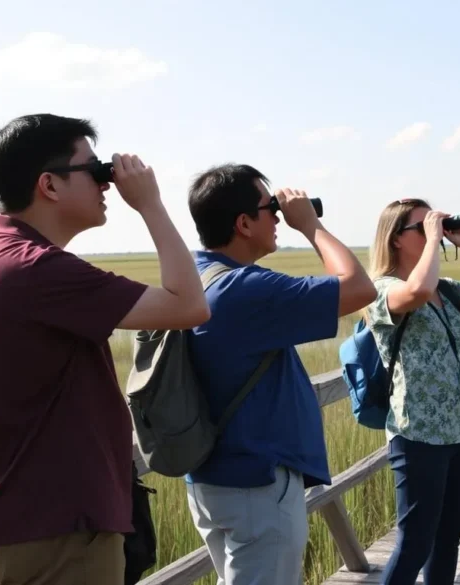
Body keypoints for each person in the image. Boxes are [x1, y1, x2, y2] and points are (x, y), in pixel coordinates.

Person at [0, 113, 210, 585]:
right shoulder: (37, 268)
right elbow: (189, 306)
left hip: (3, 520)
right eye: (95, 169)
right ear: (49, 185)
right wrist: (149, 204)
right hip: (56, 525)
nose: (108, 182)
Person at [182, 164, 376, 585]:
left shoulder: (195, 277)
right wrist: (311, 226)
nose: (278, 218)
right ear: (243, 223)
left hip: (213, 478)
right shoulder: (244, 289)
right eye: (270, 208)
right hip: (256, 482)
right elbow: (360, 287)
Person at [364, 198, 460, 585]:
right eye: (420, 227)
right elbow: (415, 292)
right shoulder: (382, 290)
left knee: (448, 539)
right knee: (416, 542)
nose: (433, 230)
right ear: (396, 239)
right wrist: (435, 239)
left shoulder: (446, 290)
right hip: (417, 433)